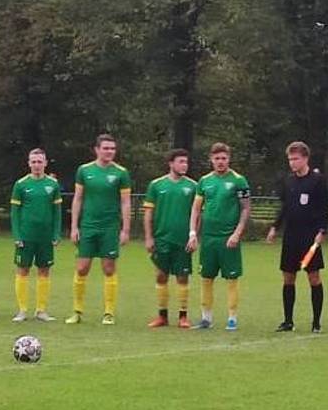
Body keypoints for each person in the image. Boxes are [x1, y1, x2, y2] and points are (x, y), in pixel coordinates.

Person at [65, 134, 131, 326]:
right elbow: (77, 198)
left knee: (108, 268)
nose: (110, 151)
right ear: (97, 149)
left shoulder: (121, 173)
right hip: (88, 226)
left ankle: (108, 312)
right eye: (106, 148)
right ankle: (77, 311)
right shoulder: (84, 171)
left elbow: (126, 202)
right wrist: (74, 226)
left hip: (110, 227)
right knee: (82, 267)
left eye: (112, 148)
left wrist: (125, 229)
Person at [267, 142, 328, 333]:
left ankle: (316, 322)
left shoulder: (318, 180)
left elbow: (325, 209)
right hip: (291, 236)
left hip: (310, 237)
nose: (292, 163)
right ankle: (288, 321)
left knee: (314, 277)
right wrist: (275, 228)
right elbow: (285, 208)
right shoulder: (288, 181)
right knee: (288, 278)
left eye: (296, 159)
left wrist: (322, 231)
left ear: (305, 159)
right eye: (290, 159)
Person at [189, 142, 250, 331]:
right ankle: (206, 318)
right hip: (209, 238)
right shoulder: (204, 181)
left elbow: (246, 208)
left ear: (229, 159)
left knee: (231, 278)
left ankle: (232, 317)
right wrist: (193, 234)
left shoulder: (239, 180)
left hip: (228, 237)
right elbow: (196, 209)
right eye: (217, 158)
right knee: (206, 277)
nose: (220, 162)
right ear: (211, 160)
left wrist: (237, 233)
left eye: (224, 158)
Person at [143, 149, 197, 329]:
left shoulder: (193, 186)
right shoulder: (156, 185)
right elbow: (148, 214)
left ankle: (183, 316)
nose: (184, 165)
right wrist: (149, 237)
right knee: (161, 275)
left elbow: (198, 215)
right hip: (161, 239)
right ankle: (162, 316)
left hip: (183, 240)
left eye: (186, 162)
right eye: (181, 161)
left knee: (182, 277)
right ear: (171, 163)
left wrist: (194, 235)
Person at [10, 148, 62, 323]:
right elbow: (14, 213)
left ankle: (41, 310)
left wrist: (56, 233)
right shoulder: (21, 184)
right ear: (29, 163)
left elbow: (57, 212)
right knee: (23, 269)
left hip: (45, 236)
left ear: (45, 163)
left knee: (44, 271)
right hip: (26, 235)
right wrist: (17, 235)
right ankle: (22, 310)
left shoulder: (53, 185)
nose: (37, 165)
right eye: (33, 162)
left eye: (40, 162)